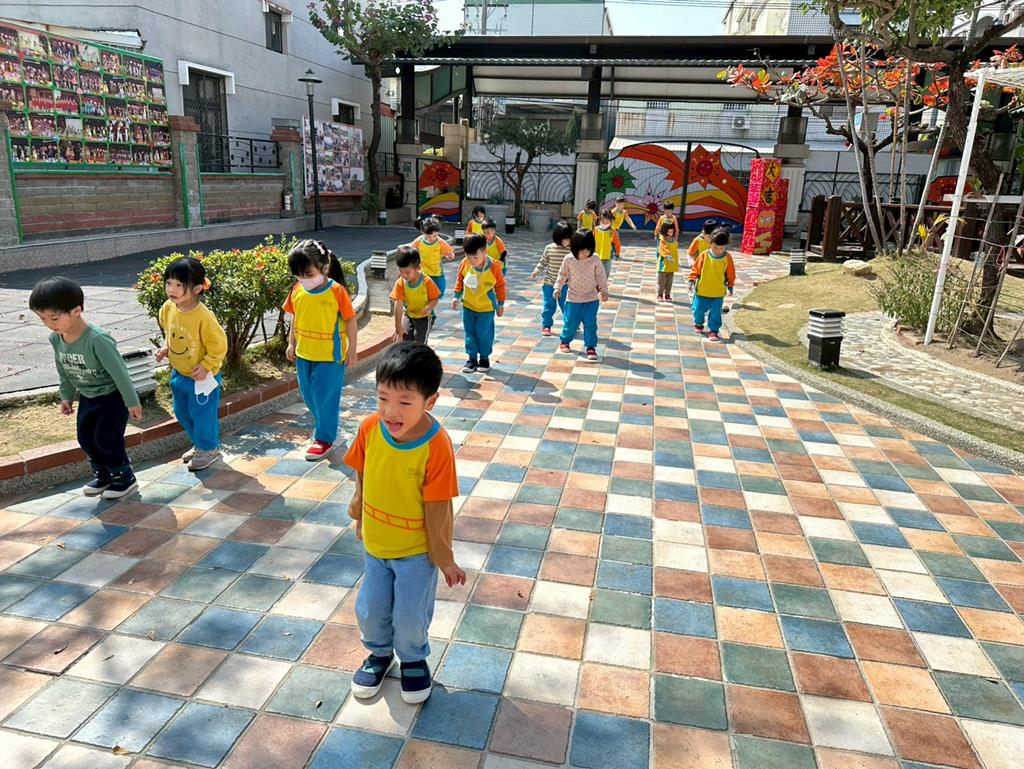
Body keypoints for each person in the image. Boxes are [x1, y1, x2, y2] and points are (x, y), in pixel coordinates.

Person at [345, 342, 463, 705]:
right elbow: (362, 474)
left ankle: (413, 660)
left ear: (430, 401)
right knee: (370, 609)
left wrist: (444, 558)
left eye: (404, 402)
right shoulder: (369, 428)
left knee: (410, 616)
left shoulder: (436, 445)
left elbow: (439, 508)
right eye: (382, 398)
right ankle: (379, 654)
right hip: (376, 545)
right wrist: (359, 514)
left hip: (416, 552)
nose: (390, 411)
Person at [30, 277, 142, 498]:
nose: (49, 323)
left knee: (106, 438)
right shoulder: (56, 339)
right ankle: (104, 476)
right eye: (42, 318)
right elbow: (63, 370)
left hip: (113, 397)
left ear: (76, 311)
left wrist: (132, 402)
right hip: (88, 397)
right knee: (86, 438)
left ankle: (124, 477)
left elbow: (120, 373)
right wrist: (66, 396)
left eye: (54, 317)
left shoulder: (97, 339)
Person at [284, 239, 358, 460]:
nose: (304, 279)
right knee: (309, 396)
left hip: (329, 357)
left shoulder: (337, 291)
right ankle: (326, 425)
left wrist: (352, 350)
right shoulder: (297, 289)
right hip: (304, 354)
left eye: (308, 274)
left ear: (324, 268)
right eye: (299, 275)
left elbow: (351, 320)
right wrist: (291, 343)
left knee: (324, 397)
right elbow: (295, 316)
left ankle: (324, 438)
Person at [155, 257, 228, 471]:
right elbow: (170, 331)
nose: (172, 289)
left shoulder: (203, 316)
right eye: (169, 283)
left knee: (202, 415)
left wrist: (206, 365)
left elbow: (219, 345)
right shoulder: (168, 308)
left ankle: (208, 448)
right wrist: (166, 348)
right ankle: (200, 444)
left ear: (197, 288)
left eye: (179, 285)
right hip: (180, 373)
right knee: (182, 412)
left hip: (203, 378)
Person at [452, 233, 506, 374]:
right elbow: (460, 280)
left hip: (486, 309)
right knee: (470, 333)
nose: (471, 260)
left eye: (475, 257)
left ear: (485, 252)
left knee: (484, 334)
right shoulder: (465, 263)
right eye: (468, 256)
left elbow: (500, 286)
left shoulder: (494, 267)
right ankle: (471, 359)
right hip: (468, 306)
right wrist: (456, 296)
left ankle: (484, 358)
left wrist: (500, 304)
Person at [555, 229, 608, 362]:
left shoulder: (595, 259)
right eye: (582, 250)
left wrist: (604, 290)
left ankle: (590, 347)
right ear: (574, 248)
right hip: (573, 299)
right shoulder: (569, 259)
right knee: (571, 323)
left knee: (590, 324)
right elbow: (562, 275)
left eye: (588, 249)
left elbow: (601, 276)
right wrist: (557, 288)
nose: (585, 253)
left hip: (591, 299)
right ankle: (565, 341)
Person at [689, 228, 736, 341]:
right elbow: (696, 269)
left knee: (715, 313)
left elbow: (731, 273)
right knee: (698, 310)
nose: (718, 251)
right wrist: (691, 280)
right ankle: (699, 323)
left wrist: (730, 285)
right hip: (702, 290)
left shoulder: (727, 257)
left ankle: (713, 330)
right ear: (710, 243)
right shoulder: (704, 255)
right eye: (715, 247)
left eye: (722, 248)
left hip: (718, 292)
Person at [530, 220, 573, 336]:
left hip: (565, 285)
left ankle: (570, 324)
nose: (568, 241)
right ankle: (546, 325)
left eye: (569, 238)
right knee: (549, 305)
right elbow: (543, 262)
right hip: (549, 283)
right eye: (565, 239)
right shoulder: (549, 248)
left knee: (566, 306)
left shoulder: (572, 250)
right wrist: (536, 271)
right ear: (558, 237)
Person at [391, 246, 440, 345]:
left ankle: (421, 354)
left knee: (419, 342)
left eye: (407, 272)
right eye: (401, 271)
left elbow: (434, 299)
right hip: (409, 315)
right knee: (406, 339)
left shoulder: (427, 282)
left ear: (418, 268)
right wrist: (398, 326)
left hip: (425, 317)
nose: (404, 275)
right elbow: (398, 304)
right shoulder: (400, 283)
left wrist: (428, 307)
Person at [410, 216, 456, 299]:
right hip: (423, 271)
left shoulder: (440, 242)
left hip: (436, 272)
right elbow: (411, 247)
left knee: (440, 291)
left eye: (434, 236)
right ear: (423, 232)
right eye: (428, 236)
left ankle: (432, 301)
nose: (431, 238)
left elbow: (448, 253)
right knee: (423, 292)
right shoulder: (419, 241)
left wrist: (450, 255)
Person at [656, 220, 681, 302]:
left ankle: (667, 295)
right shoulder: (662, 240)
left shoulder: (674, 240)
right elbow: (662, 249)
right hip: (663, 265)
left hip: (672, 265)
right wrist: (668, 256)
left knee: (669, 282)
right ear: (664, 231)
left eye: (672, 232)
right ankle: (660, 294)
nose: (670, 233)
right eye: (668, 232)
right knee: (661, 282)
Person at [594, 209, 615, 278]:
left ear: (610, 221)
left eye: (607, 222)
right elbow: (592, 241)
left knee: (606, 273)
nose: (605, 224)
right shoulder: (596, 230)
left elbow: (616, 242)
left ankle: (603, 283)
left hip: (608, 256)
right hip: (597, 255)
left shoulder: (612, 231)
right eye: (603, 222)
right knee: (596, 273)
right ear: (599, 220)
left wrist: (617, 252)